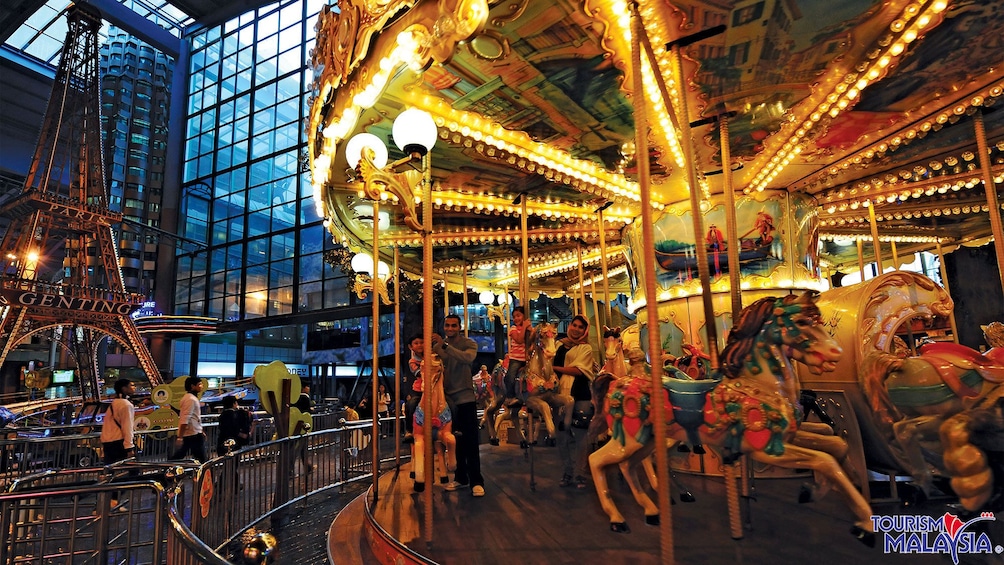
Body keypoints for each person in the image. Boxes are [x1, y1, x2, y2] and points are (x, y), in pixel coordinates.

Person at [431, 314, 484, 497]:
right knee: (454, 441)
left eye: (454, 325)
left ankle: (476, 479)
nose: (450, 328)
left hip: (465, 397)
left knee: (470, 440)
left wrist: (444, 346)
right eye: (447, 325)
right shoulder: (438, 347)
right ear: (444, 327)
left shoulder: (469, 344)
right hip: (447, 400)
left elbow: (466, 359)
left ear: (460, 327)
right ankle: (461, 477)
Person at [552, 315, 597, 488]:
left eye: (580, 327)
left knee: (580, 436)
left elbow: (579, 370)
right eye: (574, 325)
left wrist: (555, 368)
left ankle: (579, 473)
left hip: (580, 394)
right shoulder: (558, 345)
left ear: (584, 331)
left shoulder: (586, 348)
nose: (576, 329)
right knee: (562, 436)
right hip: (560, 394)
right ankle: (567, 471)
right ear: (569, 325)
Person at [101, 378, 136, 509]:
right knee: (132, 473)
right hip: (119, 444)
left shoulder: (114, 403)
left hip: (108, 443)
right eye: (131, 385)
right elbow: (127, 427)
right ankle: (113, 499)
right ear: (124, 389)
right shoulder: (126, 405)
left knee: (111, 473)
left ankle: (111, 501)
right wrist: (129, 447)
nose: (134, 387)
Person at [172, 376, 207, 462]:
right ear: (192, 386)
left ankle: (168, 468)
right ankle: (167, 469)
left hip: (193, 432)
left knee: (181, 454)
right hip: (193, 434)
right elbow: (185, 418)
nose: (201, 386)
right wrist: (180, 437)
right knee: (201, 458)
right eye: (199, 384)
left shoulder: (190, 398)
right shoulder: (190, 399)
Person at [505, 306, 534, 404]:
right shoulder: (513, 329)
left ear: (524, 316)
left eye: (519, 315)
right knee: (510, 376)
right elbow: (519, 339)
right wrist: (525, 327)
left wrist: (531, 331)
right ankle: (510, 396)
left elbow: (533, 341)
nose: (516, 318)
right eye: (514, 316)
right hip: (516, 359)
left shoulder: (528, 329)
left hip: (527, 358)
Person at [402, 334, 424, 444]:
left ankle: (454, 427)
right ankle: (409, 430)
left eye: (421, 342)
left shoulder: (433, 355)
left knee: (450, 403)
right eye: (416, 343)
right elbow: (417, 372)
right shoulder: (413, 361)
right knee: (411, 404)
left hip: (434, 387)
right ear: (411, 347)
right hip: (420, 389)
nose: (420, 345)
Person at [292, 380, 314, 472]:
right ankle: (290, 468)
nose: (308, 389)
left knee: (301, 448)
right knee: (299, 448)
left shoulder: (294, 397)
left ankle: (307, 466)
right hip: (303, 426)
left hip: (295, 425)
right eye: (307, 387)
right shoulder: (304, 398)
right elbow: (306, 411)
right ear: (303, 388)